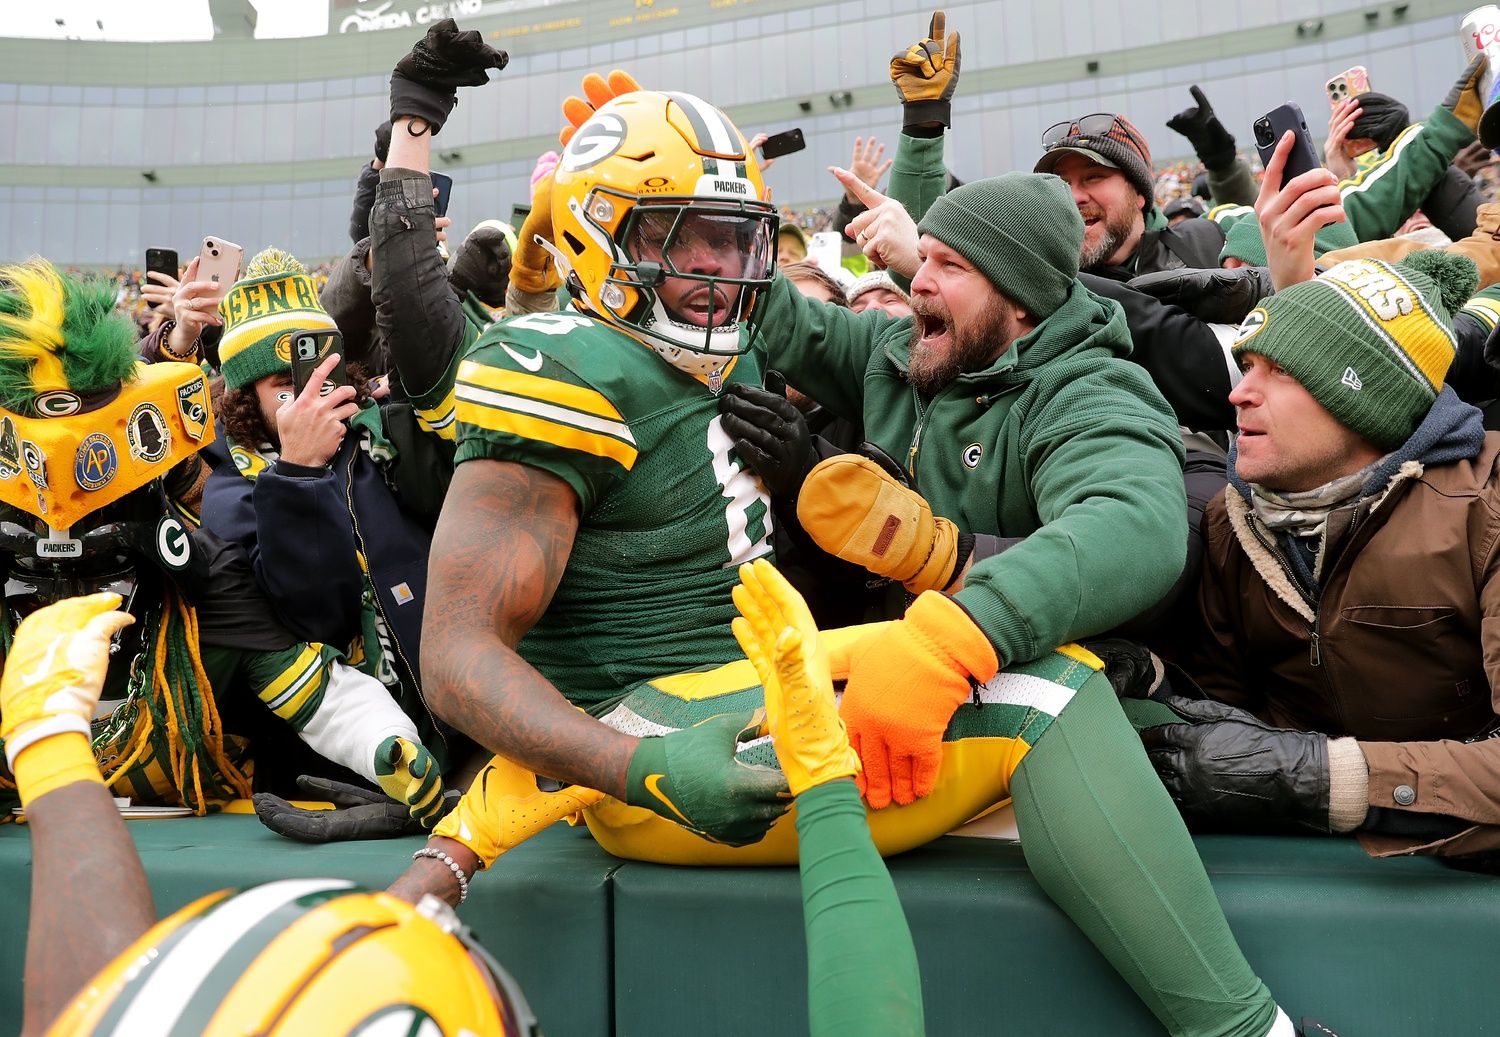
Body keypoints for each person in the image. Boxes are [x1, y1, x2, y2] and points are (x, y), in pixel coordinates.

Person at [393, 23, 1330, 1034]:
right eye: (689, 234)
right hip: (658, 739)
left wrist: (947, 598)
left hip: (763, 682)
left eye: (736, 236)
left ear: (1015, 302)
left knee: (1081, 687)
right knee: (1050, 697)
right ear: (604, 232)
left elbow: (1138, 528)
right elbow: (452, 652)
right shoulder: (574, 364)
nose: (726, 271)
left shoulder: (1084, 390)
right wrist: (543, 219)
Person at [1126, 159, 1500, 861]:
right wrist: (1155, 680)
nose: (1238, 395)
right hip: (1314, 873)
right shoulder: (1234, 520)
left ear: (1359, 397)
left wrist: (1322, 776)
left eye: (1280, 371)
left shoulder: (1488, 503)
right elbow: (1230, 724)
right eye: (1247, 367)